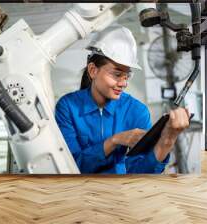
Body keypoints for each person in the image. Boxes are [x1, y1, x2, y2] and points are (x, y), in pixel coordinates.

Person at [55, 25, 190, 174]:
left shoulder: (136, 111)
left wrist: (166, 142)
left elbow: (140, 172)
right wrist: (115, 140)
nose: (124, 83)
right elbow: (72, 166)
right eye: (117, 74)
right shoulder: (67, 107)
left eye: (127, 76)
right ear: (93, 70)